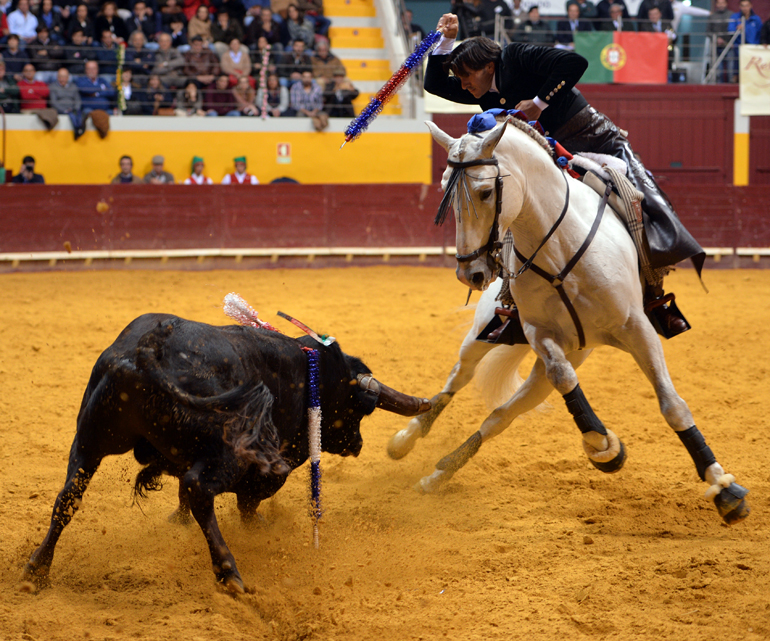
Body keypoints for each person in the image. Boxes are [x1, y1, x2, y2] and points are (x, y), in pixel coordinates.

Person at [423, 13, 705, 336]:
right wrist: (445, 40)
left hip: (592, 138)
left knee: (636, 199)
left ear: (488, 66)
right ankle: (513, 307)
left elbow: (575, 62)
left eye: (466, 76)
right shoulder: (478, 89)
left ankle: (656, 301)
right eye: (459, 80)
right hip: (547, 160)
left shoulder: (514, 56)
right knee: (515, 214)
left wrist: (539, 103)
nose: (463, 85)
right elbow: (433, 84)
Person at [728, 0, 763, 81]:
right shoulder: (735, 17)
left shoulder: (756, 19)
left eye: (747, 5)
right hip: (738, 48)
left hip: (753, 48)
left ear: (751, 6)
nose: (745, 8)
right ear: (740, 7)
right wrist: (736, 28)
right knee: (737, 66)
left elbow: (760, 33)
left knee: (752, 68)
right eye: (743, 6)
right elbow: (730, 30)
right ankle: (735, 80)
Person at [49, 67, 84, 137]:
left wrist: (75, 109)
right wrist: (64, 110)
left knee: (81, 114)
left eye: (64, 77)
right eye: (60, 76)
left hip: (73, 110)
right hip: (60, 111)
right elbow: (53, 102)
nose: (62, 79)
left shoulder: (73, 86)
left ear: (68, 77)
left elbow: (77, 100)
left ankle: (80, 129)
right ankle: (77, 130)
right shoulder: (53, 87)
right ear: (57, 77)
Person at [707, 0, 732, 83]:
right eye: (719, 3)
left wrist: (728, 41)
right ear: (716, 4)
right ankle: (719, 85)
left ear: (726, 4)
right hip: (716, 46)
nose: (721, 5)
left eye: (723, 3)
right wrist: (716, 39)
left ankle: (730, 85)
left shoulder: (732, 15)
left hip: (729, 45)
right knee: (718, 68)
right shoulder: (712, 16)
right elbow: (708, 31)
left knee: (730, 68)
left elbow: (734, 30)